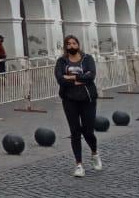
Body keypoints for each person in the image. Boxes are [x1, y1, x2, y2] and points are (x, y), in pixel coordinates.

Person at [55, 34, 101, 177]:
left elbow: (91, 76)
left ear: (78, 45)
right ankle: (79, 164)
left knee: (88, 131)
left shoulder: (87, 59)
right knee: (75, 132)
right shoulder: (62, 61)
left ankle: (94, 153)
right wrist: (77, 80)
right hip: (70, 100)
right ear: (65, 47)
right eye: (68, 44)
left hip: (87, 99)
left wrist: (72, 77)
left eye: (74, 43)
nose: (72, 46)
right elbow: (60, 79)